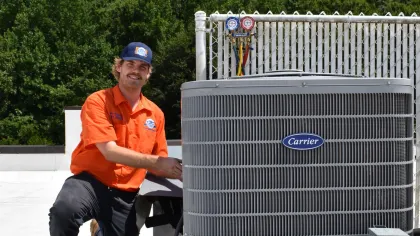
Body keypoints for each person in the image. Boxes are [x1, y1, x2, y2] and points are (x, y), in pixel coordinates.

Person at [48, 42, 182, 236]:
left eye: (142, 67)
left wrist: (184, 172)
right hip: (90, 183)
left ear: (148, 73)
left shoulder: (155, 114)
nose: (136, 71)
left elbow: (158, 164)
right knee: (64, 211)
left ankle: (99, 230)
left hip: (125, 194)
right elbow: (109, 151)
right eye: (130, 64)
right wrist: (159, 162)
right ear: (119, 67)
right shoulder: (98, 101)